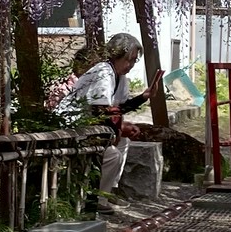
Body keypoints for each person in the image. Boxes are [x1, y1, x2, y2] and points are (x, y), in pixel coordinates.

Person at [57, 33, 158, 209]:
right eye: (129, 60)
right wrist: (115, 130)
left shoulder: (120, 77)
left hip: (90, 127)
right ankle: (94, 199)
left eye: (134, 61)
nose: (131, 65)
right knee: (112, 155)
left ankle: (108, 192)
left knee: (123, 143)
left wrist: (143, 97)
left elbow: (119, 107)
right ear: (117, 56)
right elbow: (100, 110)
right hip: (73, 127)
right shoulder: (103, 71)